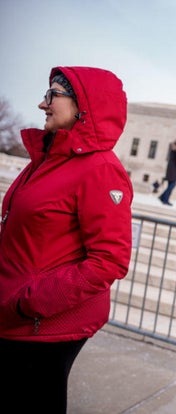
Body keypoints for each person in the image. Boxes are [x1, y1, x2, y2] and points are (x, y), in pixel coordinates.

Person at [0, 66, 133, 413]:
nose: (43, 104)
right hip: (14, 310)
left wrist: (27, 302)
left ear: (82, 105)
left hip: (42, 321)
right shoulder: (49, 158)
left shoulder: (100, 168)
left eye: (52, 95)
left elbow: (109, 260)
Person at [158, 134, 176, 206]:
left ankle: (165, 199)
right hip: (175, 169)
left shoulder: (175, 146)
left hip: (170, 167)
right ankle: (163, 197)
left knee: (170, 184)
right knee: (173, 184)